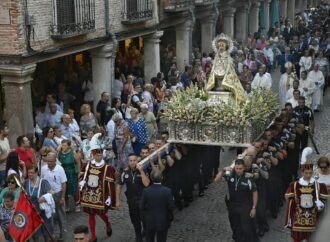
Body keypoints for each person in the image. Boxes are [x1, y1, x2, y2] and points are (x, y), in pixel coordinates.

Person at [285, 147, 329, 242]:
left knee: (312, 238)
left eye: (310, 173)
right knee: (296, 239)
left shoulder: (318, 185)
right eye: (306, 173)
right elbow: (288, 197)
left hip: (312, 219)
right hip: (298, 219)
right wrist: (293, 203)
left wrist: (321, 204)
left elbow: (325, 199)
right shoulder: (295, 185)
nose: (308, 175)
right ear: (302, 172)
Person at [79, 133, 116, 242]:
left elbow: (110, 184)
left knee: (102, 214)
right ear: (92, 155)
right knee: (91, 215)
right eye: (95, 154)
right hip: (89, 194)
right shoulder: (87, 165)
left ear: (102, 154)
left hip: (101, 195)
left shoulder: (108, 168)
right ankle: (93, 236)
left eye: (99, 154)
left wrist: (109, 196)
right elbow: (82, 177)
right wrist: (81, 182)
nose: (97, 156)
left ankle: (107, 223)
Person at [214, 159, 258, 242]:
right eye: (237, 168)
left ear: (244, 168)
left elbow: (255, 193)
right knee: (234, 226)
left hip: (245, 206)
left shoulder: (248, 178)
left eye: (240, 168)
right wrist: (223, 170)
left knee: (246, 227)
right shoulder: (230, 175)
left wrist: (254, 207)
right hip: (233, 206)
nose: (238, 170)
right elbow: (216, 180)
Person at [116, 153, 150, 242]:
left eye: (134, 160)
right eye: (130, 161)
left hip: (143, 200)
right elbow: (119, 186)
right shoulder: (125, 172)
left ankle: (146, 231)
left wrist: (142, 171)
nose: (132, 162)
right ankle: (138, 237)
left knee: (145, 220)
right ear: (128, 161)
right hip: (131, 201)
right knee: (135, 220)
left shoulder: (143, 169)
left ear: (137, 161)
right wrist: (117, 201)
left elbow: (146, 184)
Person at [206, 33, 246, 101]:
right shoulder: (216, 55)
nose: (221, 47)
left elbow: (229, 63)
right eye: (220, 45)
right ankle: (217, 86)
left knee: (226, 76)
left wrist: (226, 65)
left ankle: (224, 87)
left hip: (225, 69)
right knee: (215, 75)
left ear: (226, 46)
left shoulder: (227, 55)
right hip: (217, 70)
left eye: (222, 45)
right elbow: (214, 63)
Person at [140, 169, 175, 242]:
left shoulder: (146, 191)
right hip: (163, 221)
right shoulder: (167, 191)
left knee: (149, 239)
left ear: (151, 178)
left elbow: (141, 207)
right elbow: (171, 207)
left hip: (150, 221)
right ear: (162, 177)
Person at [41, 152, 67, 241]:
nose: (49, 163)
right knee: (49, 215)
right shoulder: (43, 169)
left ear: (55, 161)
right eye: (47, 161)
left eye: (51, 162)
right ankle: (52, 235)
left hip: (57, 194)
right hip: (47, 196)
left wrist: (62, 197)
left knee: (60, 215)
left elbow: (64, 183)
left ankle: (62, 234)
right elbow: (41, 181)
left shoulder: (60, 169)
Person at [24, 165, 54, 241]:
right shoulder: (26, 182)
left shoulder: (43, 181)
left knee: (46, 232)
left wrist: (44, 198)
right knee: (34, 233)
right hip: (32, 212)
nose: (30, 174)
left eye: (32, 173)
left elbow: (51, 192)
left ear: (37, 173)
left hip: (42, 212)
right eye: (28, 172)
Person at [58, 139, 80, 212]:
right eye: (62, 145)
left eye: (65, 145)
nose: (63, 147)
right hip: (63, 173)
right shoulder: (60, 153)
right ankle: (67, 206)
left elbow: (78, 162)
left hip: (72, 173)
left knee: (74, 189)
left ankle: (77, 204)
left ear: (69, 146)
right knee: (65, 190)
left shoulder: (72, 153)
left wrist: (79, 173)